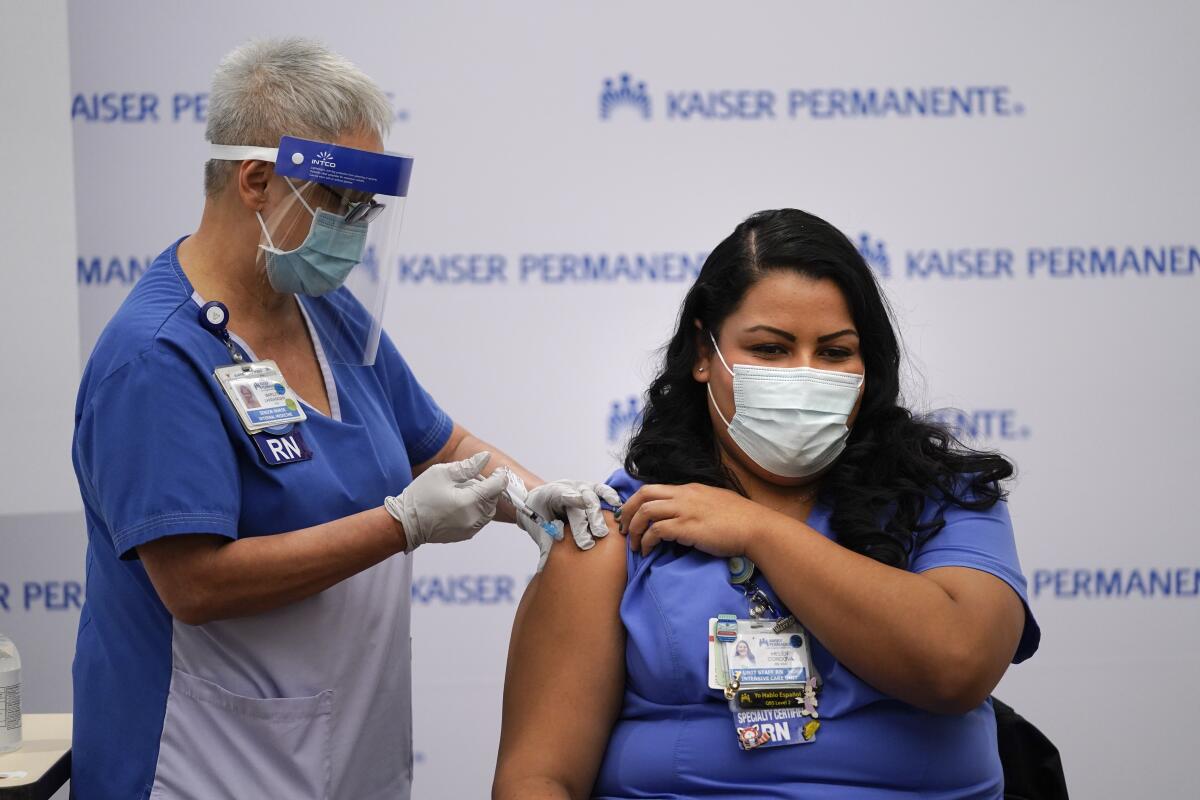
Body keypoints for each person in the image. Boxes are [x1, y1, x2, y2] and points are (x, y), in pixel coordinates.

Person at [70, 38, 615, 800]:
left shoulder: (320, 309)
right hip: (200, 765)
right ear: (257, 180)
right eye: (340, 202)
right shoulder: (155, 357)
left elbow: (439, 445)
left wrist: (529, 495)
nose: (354, 228)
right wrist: (400, 526)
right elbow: (194, 586)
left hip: (350, 754)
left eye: (367, 207)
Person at [493, 209, 1040, 799]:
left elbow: (958, 665)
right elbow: (538, 779)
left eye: (833, 353)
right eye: (771, 350)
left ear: (868, 366)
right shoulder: (620, 524)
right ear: (705, 353)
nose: (804, 374)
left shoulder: (944, 497)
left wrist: (760, 532)